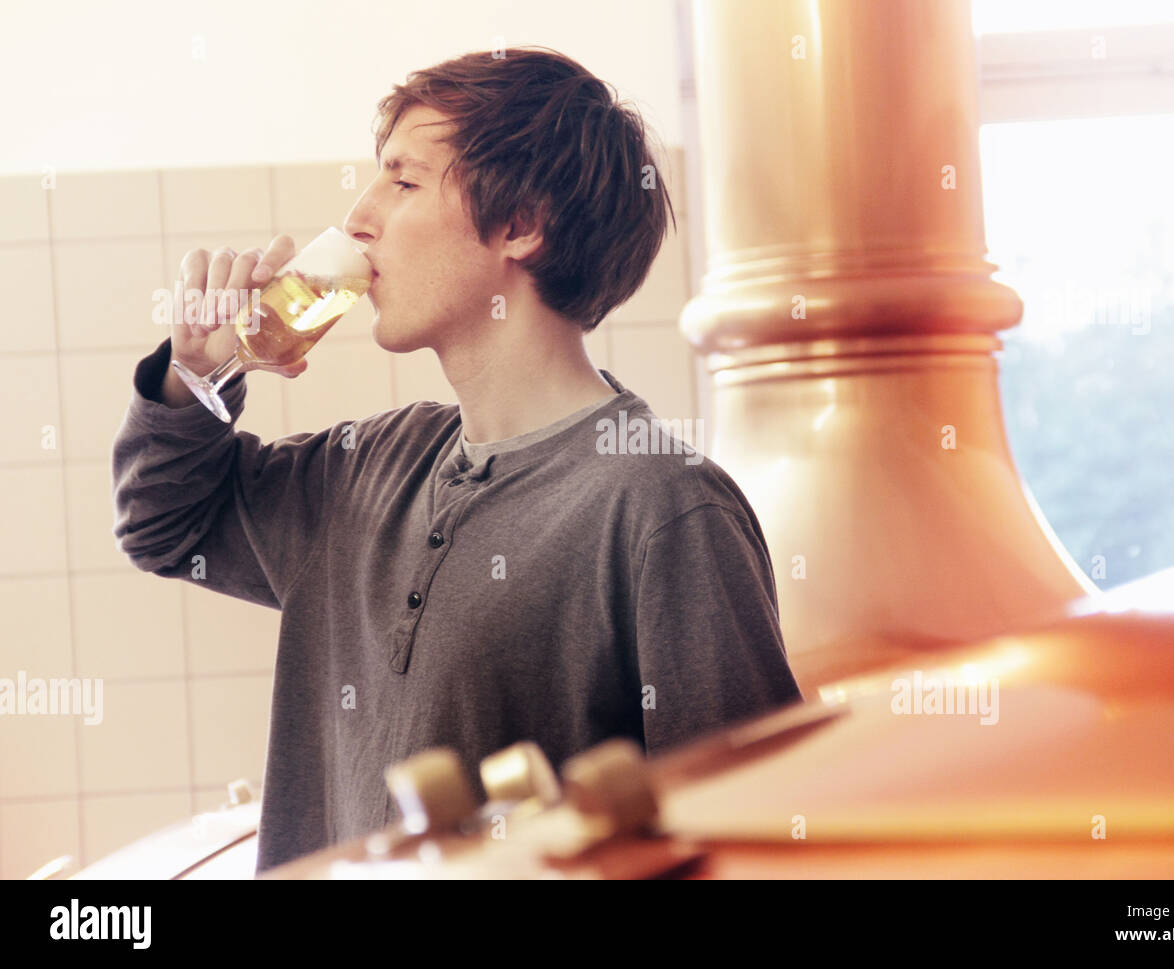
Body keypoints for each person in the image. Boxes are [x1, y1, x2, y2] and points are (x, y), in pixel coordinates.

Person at [112, 46, 802, 875]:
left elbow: (748, 832)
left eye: (402, 182)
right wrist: (200, 375)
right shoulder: (365, 466)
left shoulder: (662, 508)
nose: (358, 219)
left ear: (521, 225)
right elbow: (164, 525)